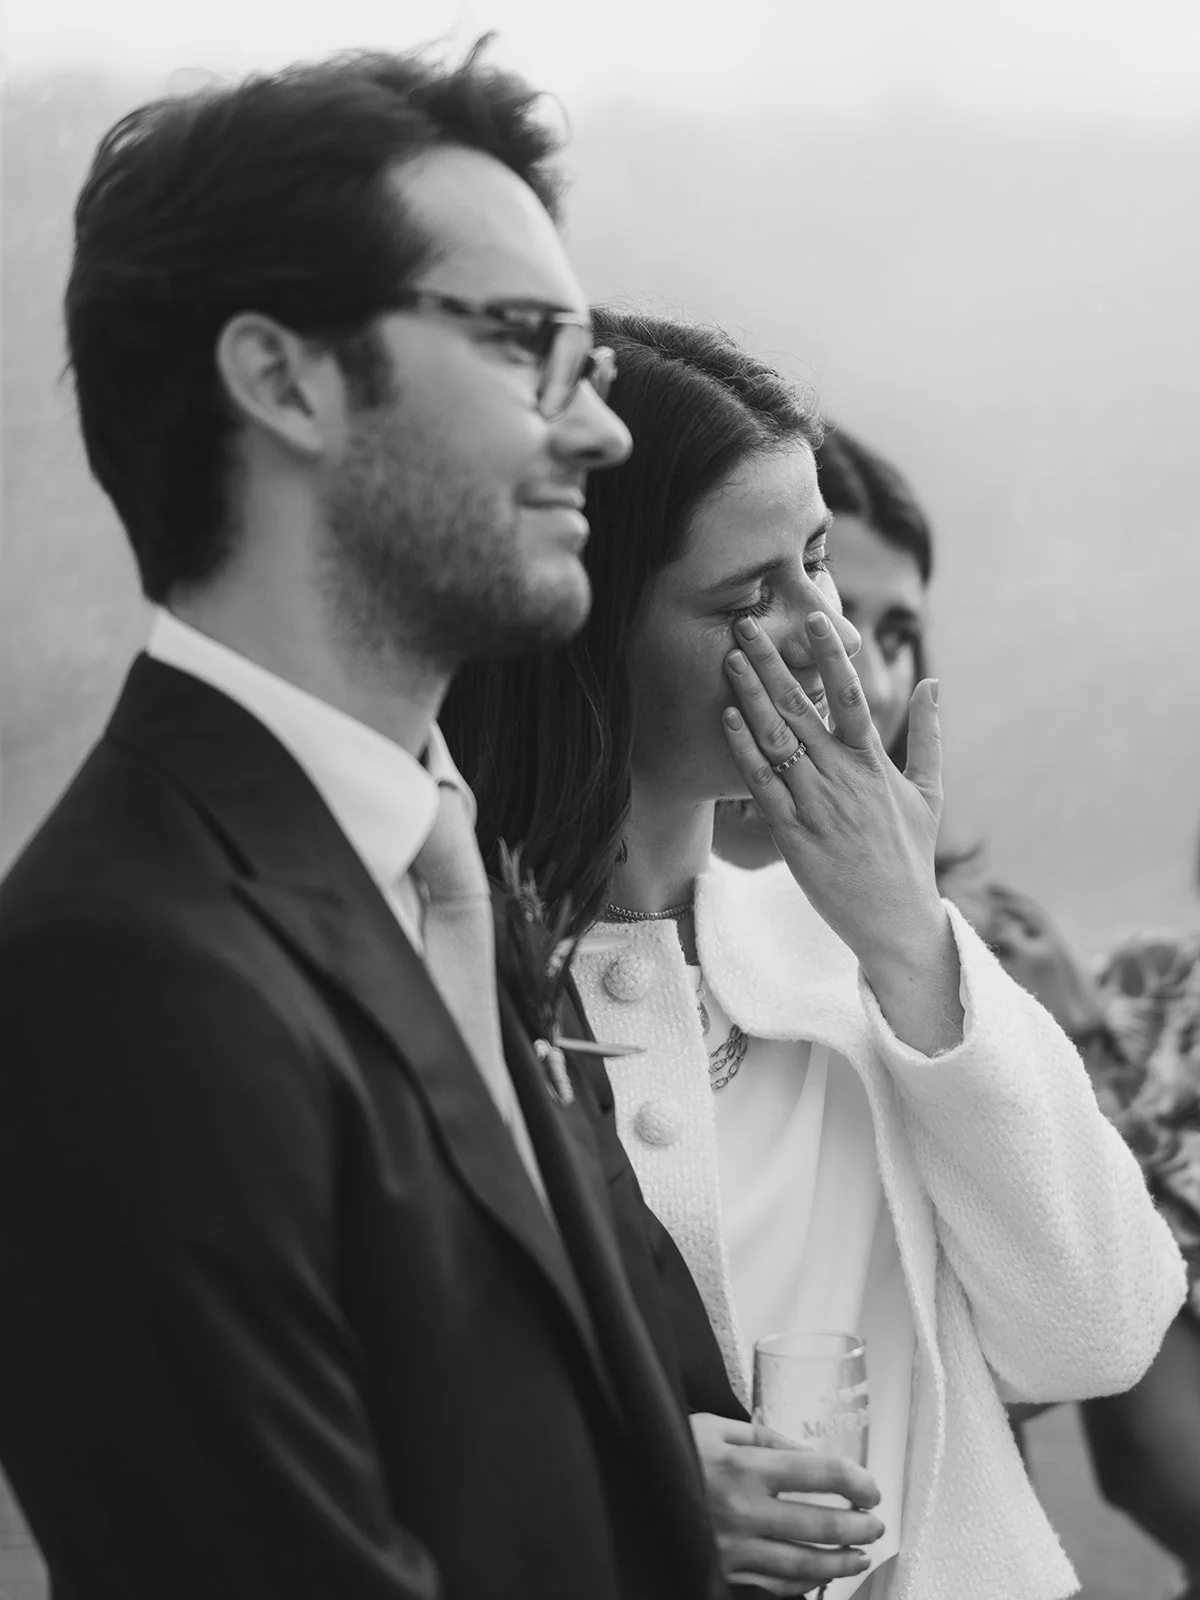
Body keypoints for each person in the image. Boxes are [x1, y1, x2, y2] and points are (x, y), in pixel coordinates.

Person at [0, 51, 738, 1600]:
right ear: (283, 380)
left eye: (592, 362)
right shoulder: (118, 970)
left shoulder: (450, 877)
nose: (599, 434)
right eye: (530, 345)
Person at [440, 308, 1188, 1600]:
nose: (828, 635)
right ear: (584, 633)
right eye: (749, 597)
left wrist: (911, 936)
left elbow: (1099, 1330)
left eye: (820, 561)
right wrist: (636, 1495)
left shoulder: (862, 943)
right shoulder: (446, 978)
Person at [724, 422, 1200, 1598]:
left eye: (894, 632)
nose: (866, 672)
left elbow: (1090, 1348)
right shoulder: (596, 936)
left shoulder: (962, 949)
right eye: (786, 604)